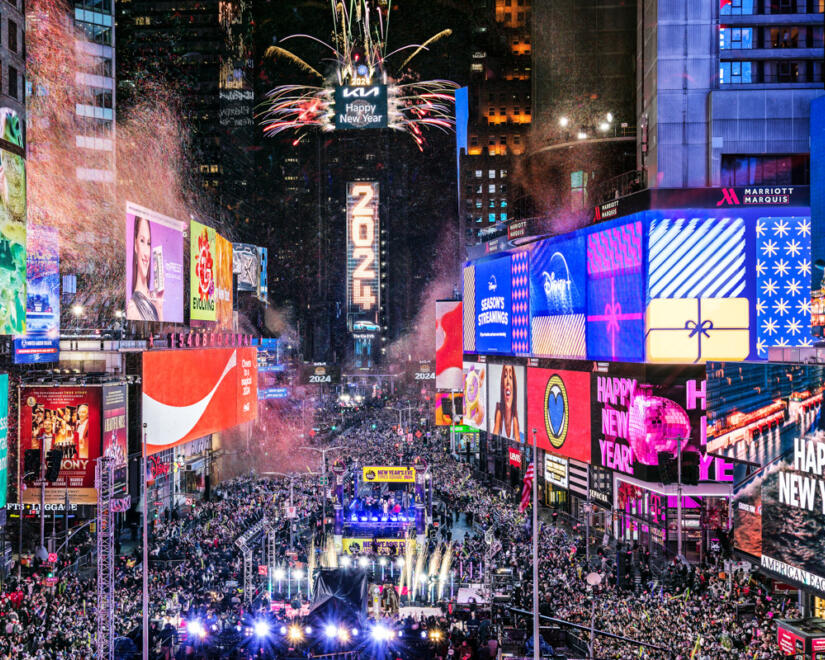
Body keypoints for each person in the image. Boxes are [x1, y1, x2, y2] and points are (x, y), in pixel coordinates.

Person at [126, 215, 164, 321]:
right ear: (135, 245)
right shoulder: (133, 307)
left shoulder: (154, 297)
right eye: (142, 241)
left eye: (149, 243)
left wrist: (159, 306)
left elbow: (161, 333)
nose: (147, 253)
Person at [492, 365, 520, 441]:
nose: (507, 381)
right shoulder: (499, 413)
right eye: (505, 376)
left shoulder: (514, 418)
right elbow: (494, 435)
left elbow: (518, 439)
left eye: (510, 377)